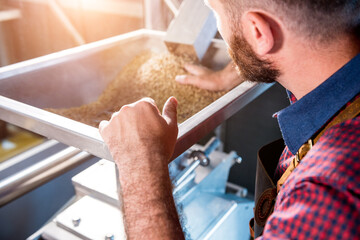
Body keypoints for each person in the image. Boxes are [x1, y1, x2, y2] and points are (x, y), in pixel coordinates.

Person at [99, 0, 360, 239]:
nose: (220, 29)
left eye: (215, 14)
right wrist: (228, 75)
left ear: (258, 32)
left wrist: (140, 164)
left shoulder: (326, 194)